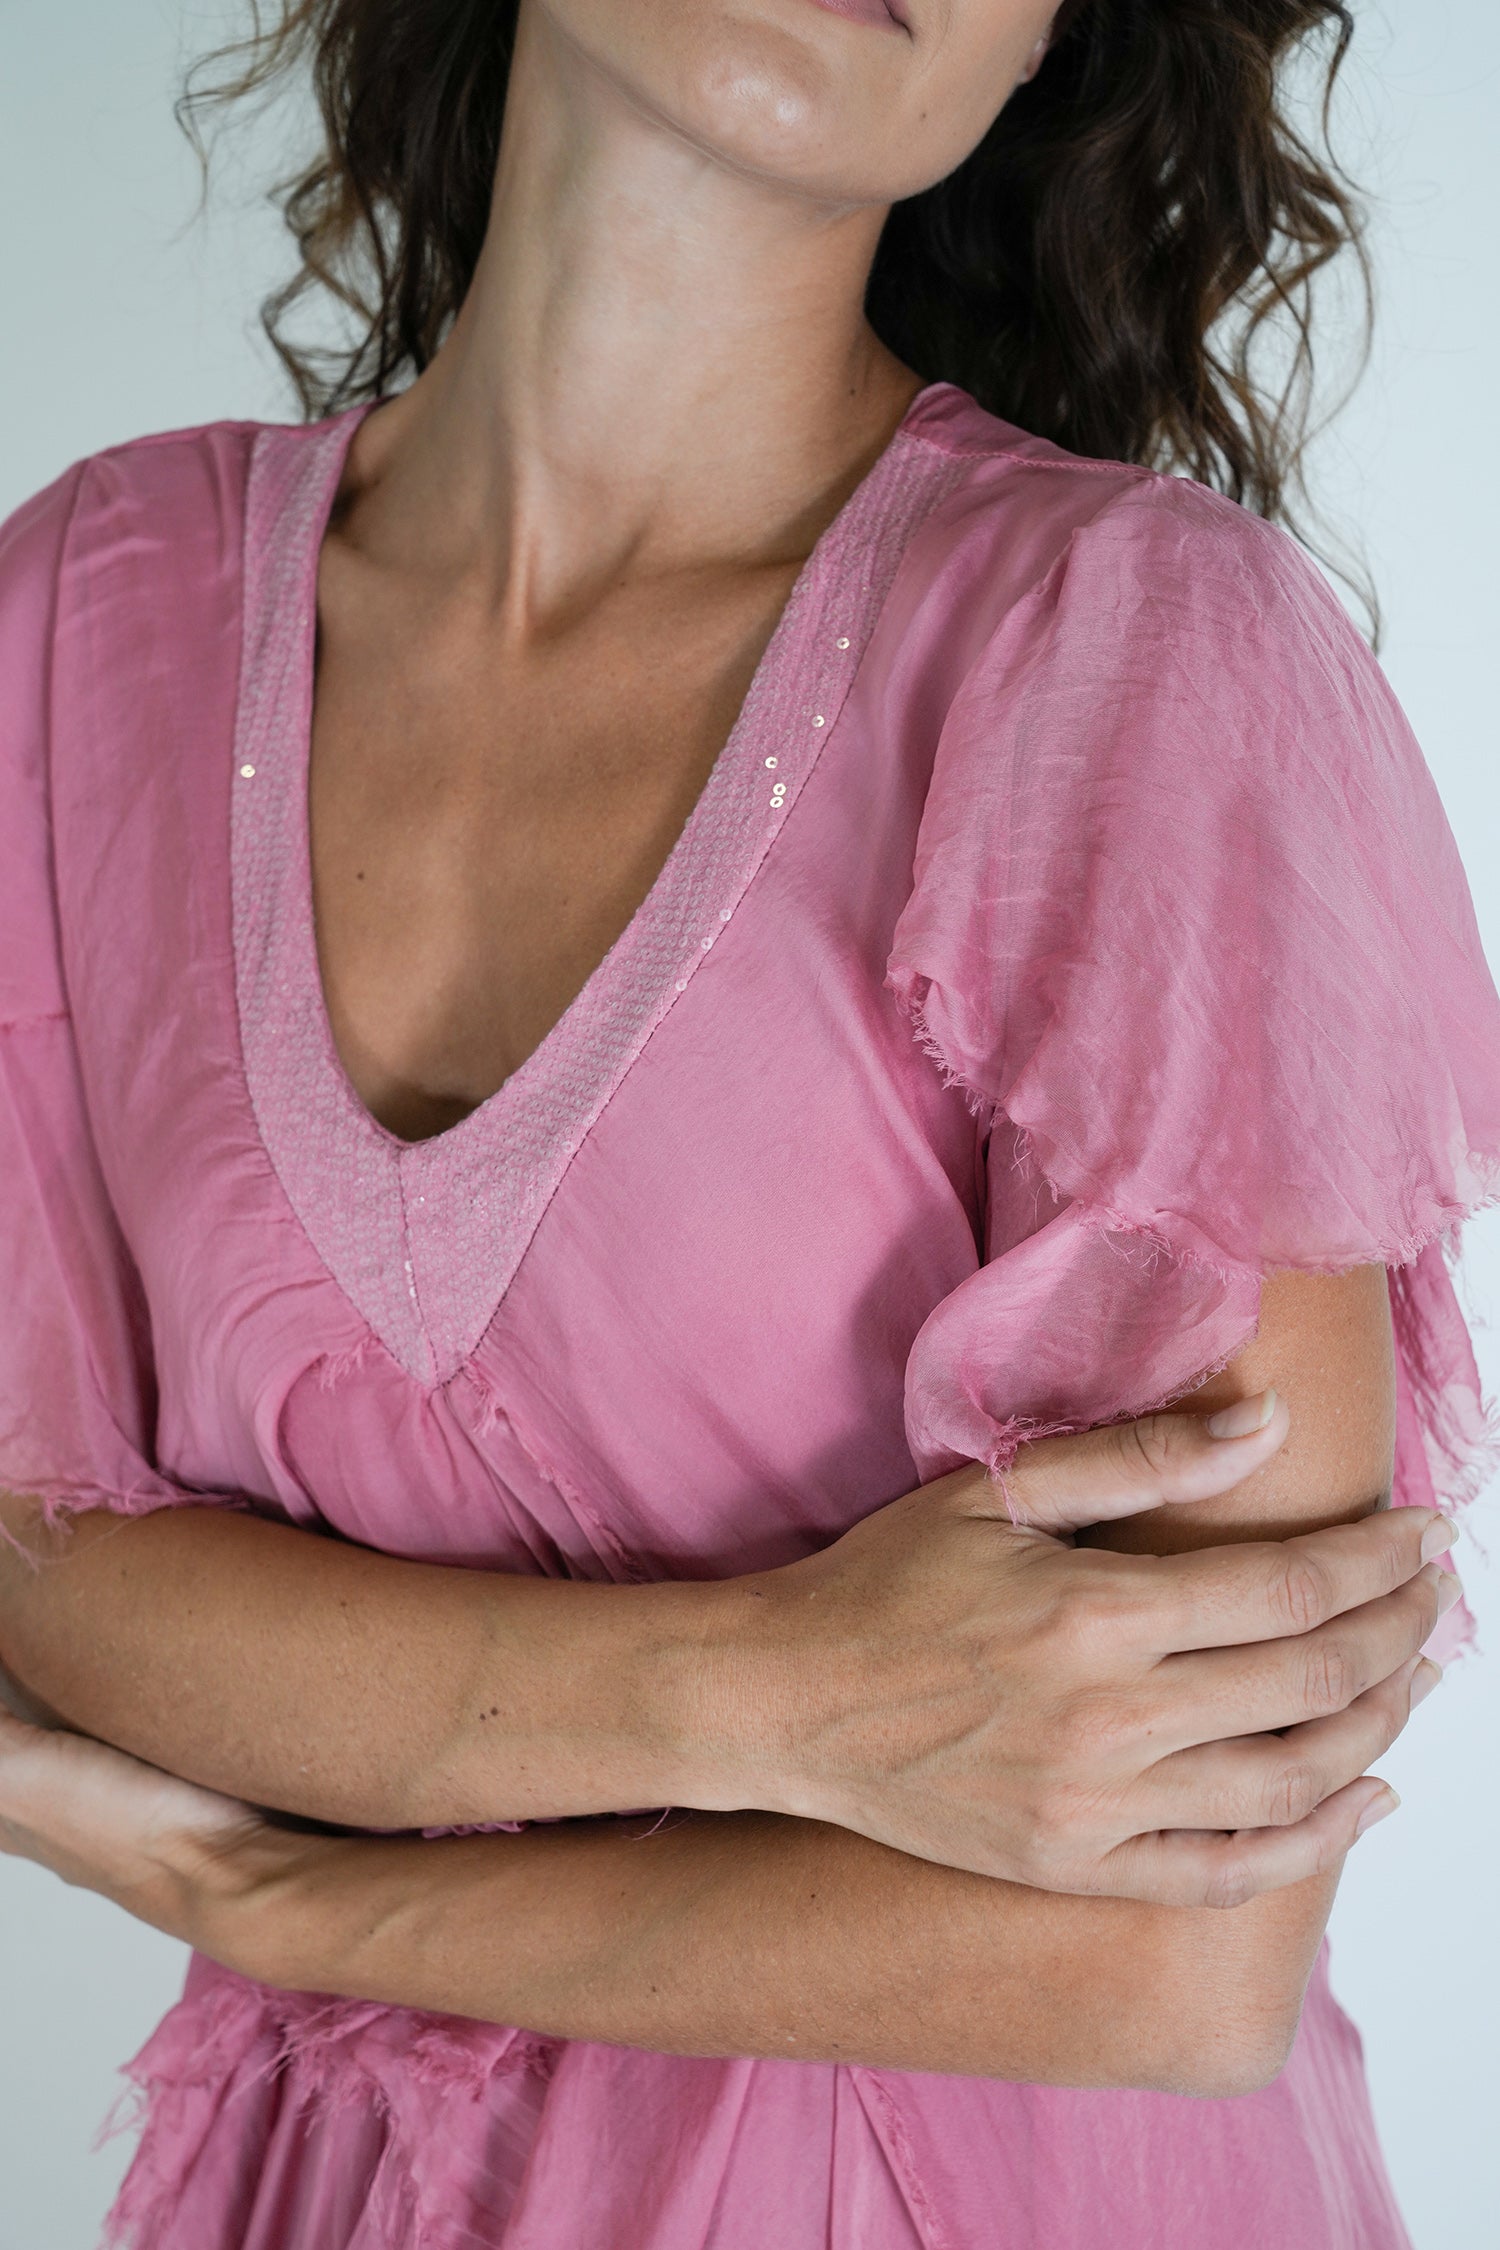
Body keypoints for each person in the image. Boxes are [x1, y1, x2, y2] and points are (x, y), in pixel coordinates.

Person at [1, 2, 1497, 2245]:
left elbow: (1171, 1954)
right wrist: (779, 1698)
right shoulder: (81, 616)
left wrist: (300, 1899)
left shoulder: (1137, 651)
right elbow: (48, 1589)